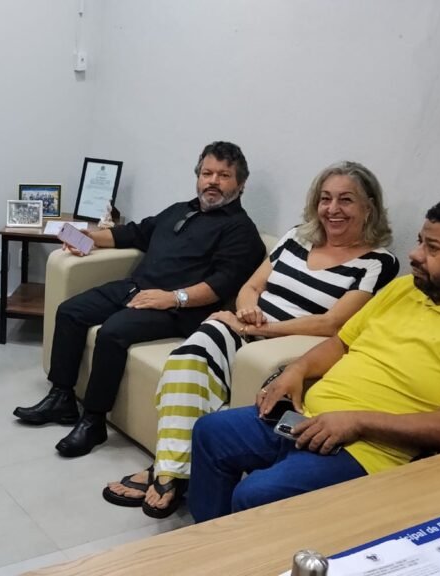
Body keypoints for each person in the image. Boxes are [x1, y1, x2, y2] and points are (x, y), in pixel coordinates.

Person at [102, 161, 399, 519]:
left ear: (369, 207)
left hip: (283, 343)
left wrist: (255, 330)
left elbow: (332, 323)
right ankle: (173, 472)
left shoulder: (377, 262)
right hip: (248, 326)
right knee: (186, 359)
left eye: (346, 200)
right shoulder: (298, 237)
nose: (332, 209)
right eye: (325, 198)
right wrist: (245, 311)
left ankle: (166, 473)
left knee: (207, 356)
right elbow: (252, 286)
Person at [187, 196, 440, 522]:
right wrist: (296, 370)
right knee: (211, 432)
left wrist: (357, 421)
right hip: (308, 418)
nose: (415, 254)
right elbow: (340, 343)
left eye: (432, 248)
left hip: (370, 450)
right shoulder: (405, 290)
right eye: (420, 241)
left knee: (254, 494)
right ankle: (212, 540)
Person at [14, 141, 266, 457]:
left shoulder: (240, 231)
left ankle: (93, 421)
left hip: (181, 309)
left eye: (224, 175)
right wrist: (85, 239)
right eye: (207, 173)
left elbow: (221, 285)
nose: (213, 181)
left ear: (240, 184)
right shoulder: (180, 210)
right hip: (137, 288)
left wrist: (172, 298)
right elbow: (133, 233)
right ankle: (61, 397)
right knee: (70, 311)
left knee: (113, 332)